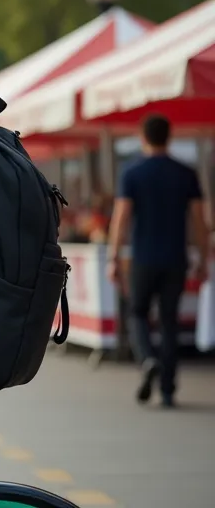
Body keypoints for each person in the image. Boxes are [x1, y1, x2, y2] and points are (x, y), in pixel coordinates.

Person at [106, 114, 209, 408]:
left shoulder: (132, 172)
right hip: (175, 258)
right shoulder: (185, 173)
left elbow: (122, 218)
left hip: (143, 257)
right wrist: (202, 256)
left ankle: (148, 358)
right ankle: (167, 388)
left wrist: (114, 257)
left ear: (143, 137)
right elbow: (199, 220)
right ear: (169, 136)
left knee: (137, 313)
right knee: (169, 321)